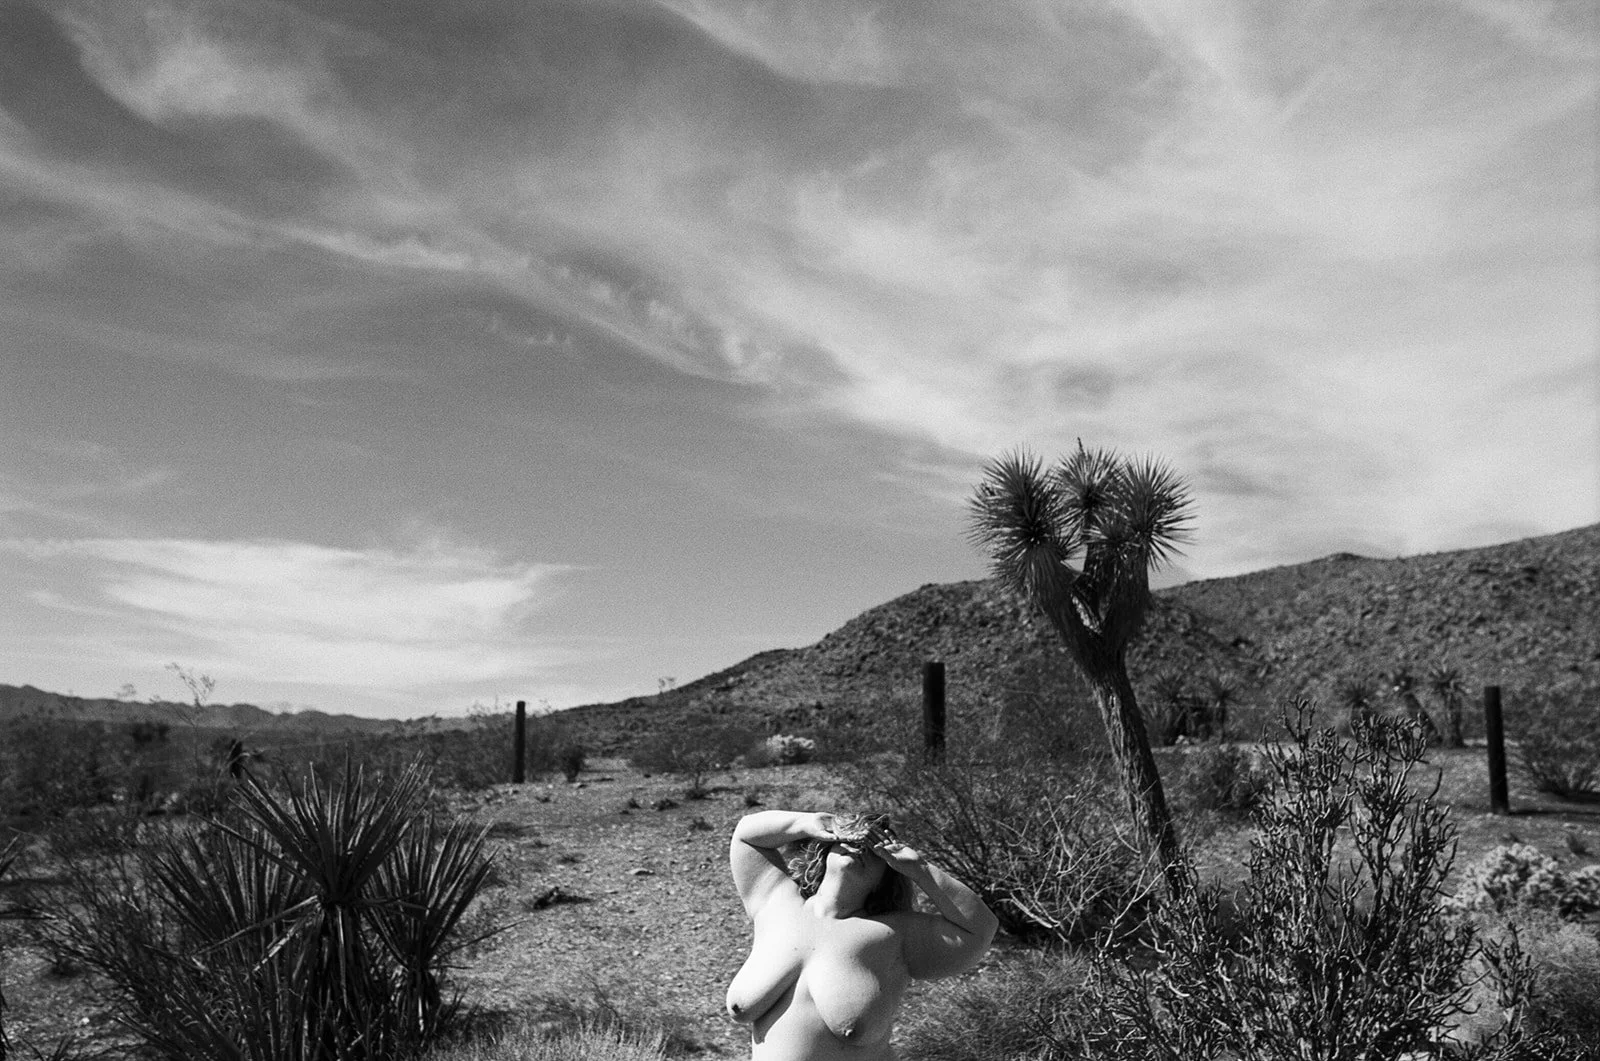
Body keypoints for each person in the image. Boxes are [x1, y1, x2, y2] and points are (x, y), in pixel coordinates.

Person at [726, 809, 999, 1060]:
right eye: (852, 839)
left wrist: (921, 870)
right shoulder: (775, 903)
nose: (860, 848)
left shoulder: (895, 933)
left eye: (875, 848)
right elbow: (746, 834)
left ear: (887, 874)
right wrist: (808, 822)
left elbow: (980, 930)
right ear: (826, 848)